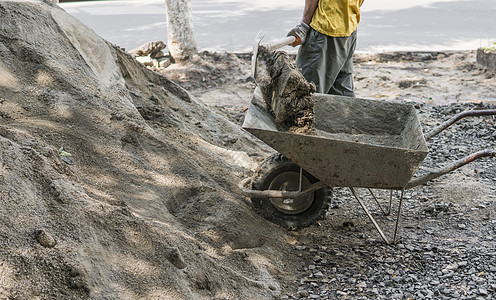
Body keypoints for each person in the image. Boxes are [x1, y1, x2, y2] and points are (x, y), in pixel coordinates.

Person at [288, 0, 364, 97]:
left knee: (305, 92)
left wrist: (304, 25)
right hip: (348, 28)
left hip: (326, 29)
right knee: (341, 93)